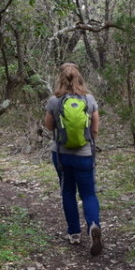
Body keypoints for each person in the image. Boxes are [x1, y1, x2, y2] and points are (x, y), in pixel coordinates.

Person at [44, 62, 102, 256]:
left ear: (60, 78)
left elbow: (49, 127)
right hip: (84, 155)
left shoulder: (54, 100)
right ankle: (93, 225)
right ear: (79, 77)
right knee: (88, 194)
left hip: (61, 155)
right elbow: (94, 130)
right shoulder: (89, 99)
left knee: (68, 192)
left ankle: (74, 234)